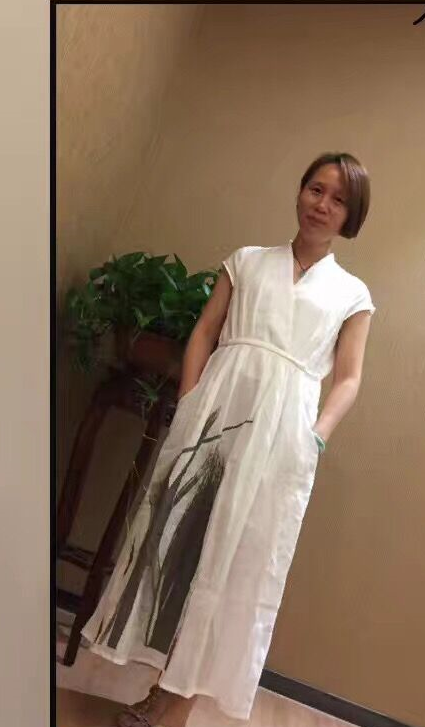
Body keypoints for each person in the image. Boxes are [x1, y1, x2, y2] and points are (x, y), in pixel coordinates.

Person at [80, 152, 376, 727]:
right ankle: (162, 688)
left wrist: (316, 436)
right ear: (300, 191)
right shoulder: (247, 261)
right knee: (184, 546)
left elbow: (349, 378)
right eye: (316, 189)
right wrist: (192, 400)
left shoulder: (352, 294)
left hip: (283, 435)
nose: (322, 205)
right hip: (216, 415)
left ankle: (180, 703)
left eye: (339, 199)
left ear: (351, 215)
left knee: (240, 560)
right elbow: (205, 332)